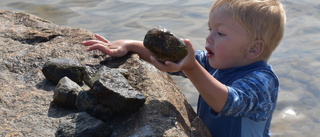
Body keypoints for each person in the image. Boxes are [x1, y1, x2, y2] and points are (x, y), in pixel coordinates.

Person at [82, 0, 286, 136]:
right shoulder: (213, 62)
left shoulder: (261, 81)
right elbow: (175, 61)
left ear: (254, 49)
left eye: (220, 33)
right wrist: (131, 45)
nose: (208, 38)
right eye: (210, 29)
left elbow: (227, 102)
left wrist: (192, 68)